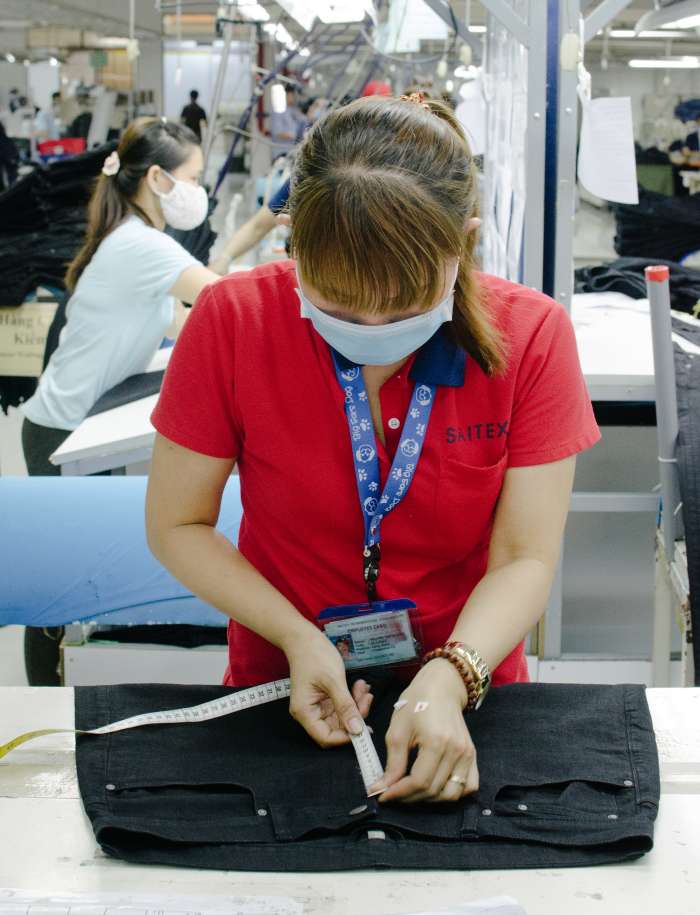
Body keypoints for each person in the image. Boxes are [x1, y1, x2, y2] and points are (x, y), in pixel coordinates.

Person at [146, 94, 600, 804]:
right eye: (338, 305)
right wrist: (296, 637)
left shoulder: (533, 338)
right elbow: (178, 523)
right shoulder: (232, 320)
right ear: (293, 240)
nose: (373, 328)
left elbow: (525, 556)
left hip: (471, 684)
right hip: (284, 676)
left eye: (405, 306)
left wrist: (453, 673)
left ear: (464, 242)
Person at [270, 86, 303, 161]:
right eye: (292, 95)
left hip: (292, 153)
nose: (294, 97)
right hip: (281, 154)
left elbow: (305, 120)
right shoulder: (278, 111)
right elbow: (278, 133)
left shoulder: (293, 110)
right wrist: (297, 137)